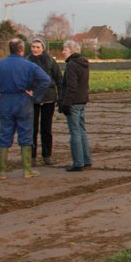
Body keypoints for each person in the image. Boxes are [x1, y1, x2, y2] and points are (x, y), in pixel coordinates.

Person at [0, 38, 52, 179]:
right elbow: (46, 80)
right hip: (24, 101)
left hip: (6, 101)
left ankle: (2, 172)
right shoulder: (29, 65)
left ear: (10, 49)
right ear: (22, 49)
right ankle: (27, 170)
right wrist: (36, 97)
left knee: (5, 134)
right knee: (26, 134)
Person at [27, 38, 62, 165]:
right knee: (32, 128)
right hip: (32, 100)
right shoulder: (27, 61)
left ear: (43, 48)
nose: (35, 49)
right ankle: (32, 156)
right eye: (33, 47)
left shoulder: (50, 61)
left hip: (49, 98)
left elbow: (59, 79)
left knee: (46, 129)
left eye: (37, 47)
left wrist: (60, 96)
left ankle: (47, 155)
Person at [59, 40, 92, 171]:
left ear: (72, 51)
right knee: (82, 131)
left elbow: (71, 87)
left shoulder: (72, 65)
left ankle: (78, 163)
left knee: (75, 134)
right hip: (82, 101)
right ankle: (87, 160)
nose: (62, 52)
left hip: (74, 102)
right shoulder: (83, 63)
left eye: (65, 50)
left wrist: (66, 104)